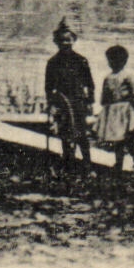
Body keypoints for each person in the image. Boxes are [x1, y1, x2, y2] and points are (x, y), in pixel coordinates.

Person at [44, 19, 94, 169]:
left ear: (74, 40)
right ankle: (68, 162)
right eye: (61, 40)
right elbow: (48, 87)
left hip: (78, 101)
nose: (65, 43)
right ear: (56, 42)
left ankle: (87, 163)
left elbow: (90, 84)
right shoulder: (52, 62)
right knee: (65, 133)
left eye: (68, 40)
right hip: (62, 102)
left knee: (82, 134)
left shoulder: (81, 61)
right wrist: (51, 104)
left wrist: (90, 102)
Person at [99, 45, 134, 175]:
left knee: (130, 142)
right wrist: (105, 109)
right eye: (110, 60)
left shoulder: (129, 75)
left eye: (116, 60)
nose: (112, 63)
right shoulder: (108, 77)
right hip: (114, 112)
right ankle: (118, 165)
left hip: (126, 112)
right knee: (118, 142)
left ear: (124, 61)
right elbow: (104, 97)